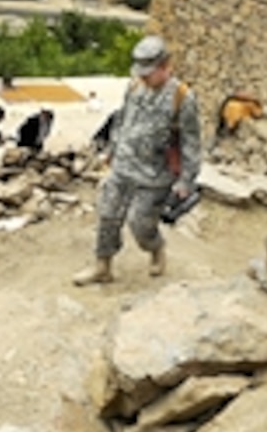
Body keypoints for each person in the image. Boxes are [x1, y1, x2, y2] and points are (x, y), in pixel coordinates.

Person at [73, 35, 201, 286]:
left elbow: (191, 143)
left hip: (155, 175)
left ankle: (156, 248)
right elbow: (122, 120)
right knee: (107, 214)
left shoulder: (183, 99)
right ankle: (102, 267)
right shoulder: (134, 87)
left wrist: (186, 180)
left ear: (166, 67)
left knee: (140, 224)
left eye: (149, 72)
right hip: (123, 165)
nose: (143, 77)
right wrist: (113, 148)